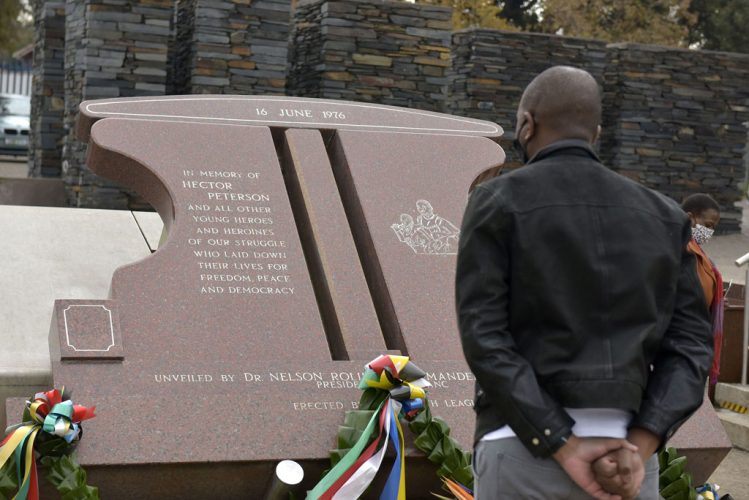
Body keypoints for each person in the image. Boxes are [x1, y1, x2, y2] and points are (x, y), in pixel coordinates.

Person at [455, 66, 713, 499]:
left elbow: (485, 336)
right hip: (628, 460)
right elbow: (691, 346)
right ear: (595, 133)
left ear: (526, 124)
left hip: (521, 447)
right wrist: (642, 442)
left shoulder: (497, 201)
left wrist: (562, 442)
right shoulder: (665, 216)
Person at [682, 193, 724, 393]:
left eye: (713, 228)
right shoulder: (678, 249)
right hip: (681, 340)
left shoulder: (701, 255)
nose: (709, 232)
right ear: (690, 218)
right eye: (707, 225)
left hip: (694, 339)